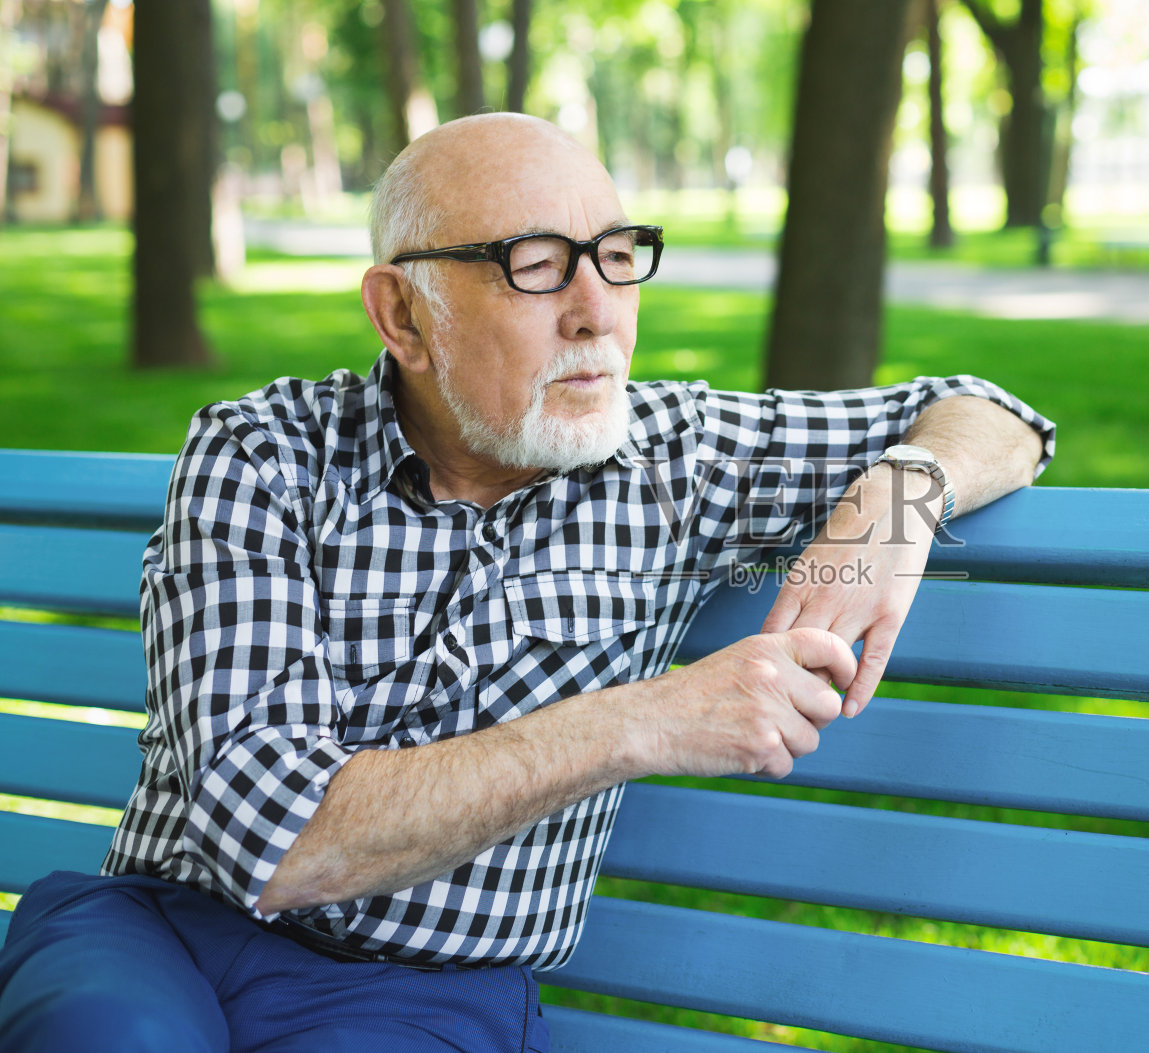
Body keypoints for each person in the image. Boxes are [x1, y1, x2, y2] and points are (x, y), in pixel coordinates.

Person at [0, 113, 1054, 1053]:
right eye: (536, 265)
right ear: (403, 317)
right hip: (162, 932)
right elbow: (277, 843)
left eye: (617, 255)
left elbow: (993, 413)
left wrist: (897, 493)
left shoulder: (681, 458)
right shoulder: (262, 454)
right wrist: (642, 723)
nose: (598, 312)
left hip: (421, 994)